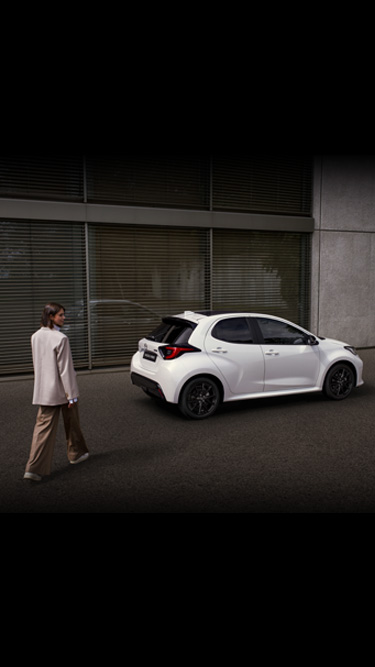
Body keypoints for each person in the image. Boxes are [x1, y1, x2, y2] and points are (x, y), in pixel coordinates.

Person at [24, 303, 89, 482]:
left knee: (43, 429)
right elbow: (65, 370)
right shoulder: (61, 338)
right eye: (61, 315)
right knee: (72, 422)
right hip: (62, 390)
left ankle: (33, 469)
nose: (64, 317)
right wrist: (72, 394)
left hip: (44, 390)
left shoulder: (35, 337)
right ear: (51, 316)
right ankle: (75, 454)